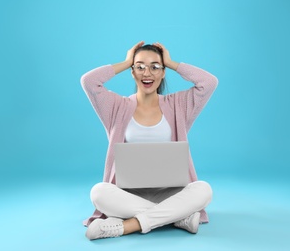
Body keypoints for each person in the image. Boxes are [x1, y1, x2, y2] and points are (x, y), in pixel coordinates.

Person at [80, 41, 218, 240]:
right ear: (132, 72)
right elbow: (89, 81)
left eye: (155, 67)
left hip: (171, 193)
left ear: (163, 73)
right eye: (140, 67)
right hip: (127, 195)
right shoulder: (116, 106)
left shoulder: (178, 105)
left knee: (203, 189)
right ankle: (177, 218)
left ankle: (126, 225)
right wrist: (126, 61)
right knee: (99, 192)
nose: (147, 73)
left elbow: (209, 82)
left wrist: (171, 62)